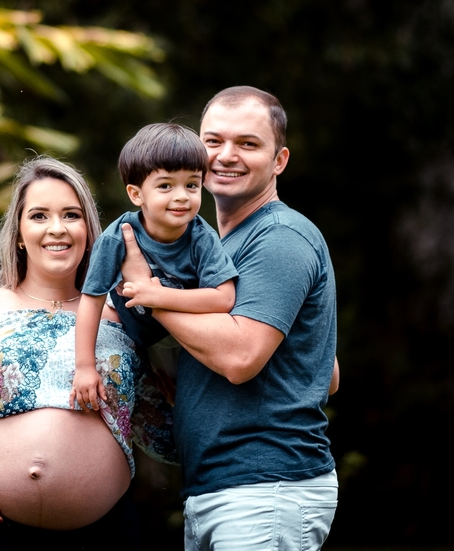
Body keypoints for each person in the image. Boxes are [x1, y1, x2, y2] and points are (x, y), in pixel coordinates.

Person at [0, 157, 171, 550]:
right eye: (39, 216)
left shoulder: (125, 314)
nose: (57, 228)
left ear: (90, 231)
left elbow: (164, 426)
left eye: (71, 215)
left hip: (101, 532)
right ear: (19, 233)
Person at [117, 86, 340, 551]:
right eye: (213, 141)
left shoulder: (279, 237)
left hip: (265, 487)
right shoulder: (218, 252)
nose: (225, 156)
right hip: (226, 487)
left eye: (248, 144)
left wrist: (150, 294)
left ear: (279, 160)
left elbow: (240, 357)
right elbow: (328, 372)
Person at [71, 123, 238, 411]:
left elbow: (224, 298)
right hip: (127, 330)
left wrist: (158, 297)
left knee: (178, 404)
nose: (182, 196)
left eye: (192, 184)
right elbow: (92, 299)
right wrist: (84, 366)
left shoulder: (202, 237)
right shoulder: (118, 236)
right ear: (137, 195)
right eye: (165, 186)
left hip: (180, 338)